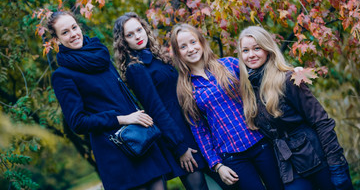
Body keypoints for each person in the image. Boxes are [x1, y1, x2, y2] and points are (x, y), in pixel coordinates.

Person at [49, 11, 170, 190]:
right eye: (65, 32)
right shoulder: (62, 75)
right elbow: (78, 123)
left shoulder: (101, 55)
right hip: (115, 152)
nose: (73, 34)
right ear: (57, 40)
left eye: (74, 27)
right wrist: (122, 118)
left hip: (141, 138)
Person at [112, 12, 226, 190]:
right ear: (124, 41)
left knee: (229, 180)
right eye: (130, 35)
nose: (137, 36)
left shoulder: (159, 57)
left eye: (139, 30)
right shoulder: (136, 68)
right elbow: (156, 109)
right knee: (199, 186)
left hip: (196, 127)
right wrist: (179, 147)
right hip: (179, 137)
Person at [237, 26, 354, 190]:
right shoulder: (249, 89)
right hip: (288, 165)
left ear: (268, 50)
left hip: (317, 157)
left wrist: (336, 166)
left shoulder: (288, 79)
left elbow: (322, 122)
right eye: (245, 50)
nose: (251, 55)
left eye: (257, 48)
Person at [170, 23, 284, 190]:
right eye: (183, 46)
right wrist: (217, 165)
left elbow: (264, 77)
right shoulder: (185, 89)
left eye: (193, 42)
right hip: (232, 156)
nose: (190, 49)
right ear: (178, 53)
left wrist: (289, 72)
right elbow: (199, 130)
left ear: (201, 42)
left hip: (260, 142)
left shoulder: (229, 65)